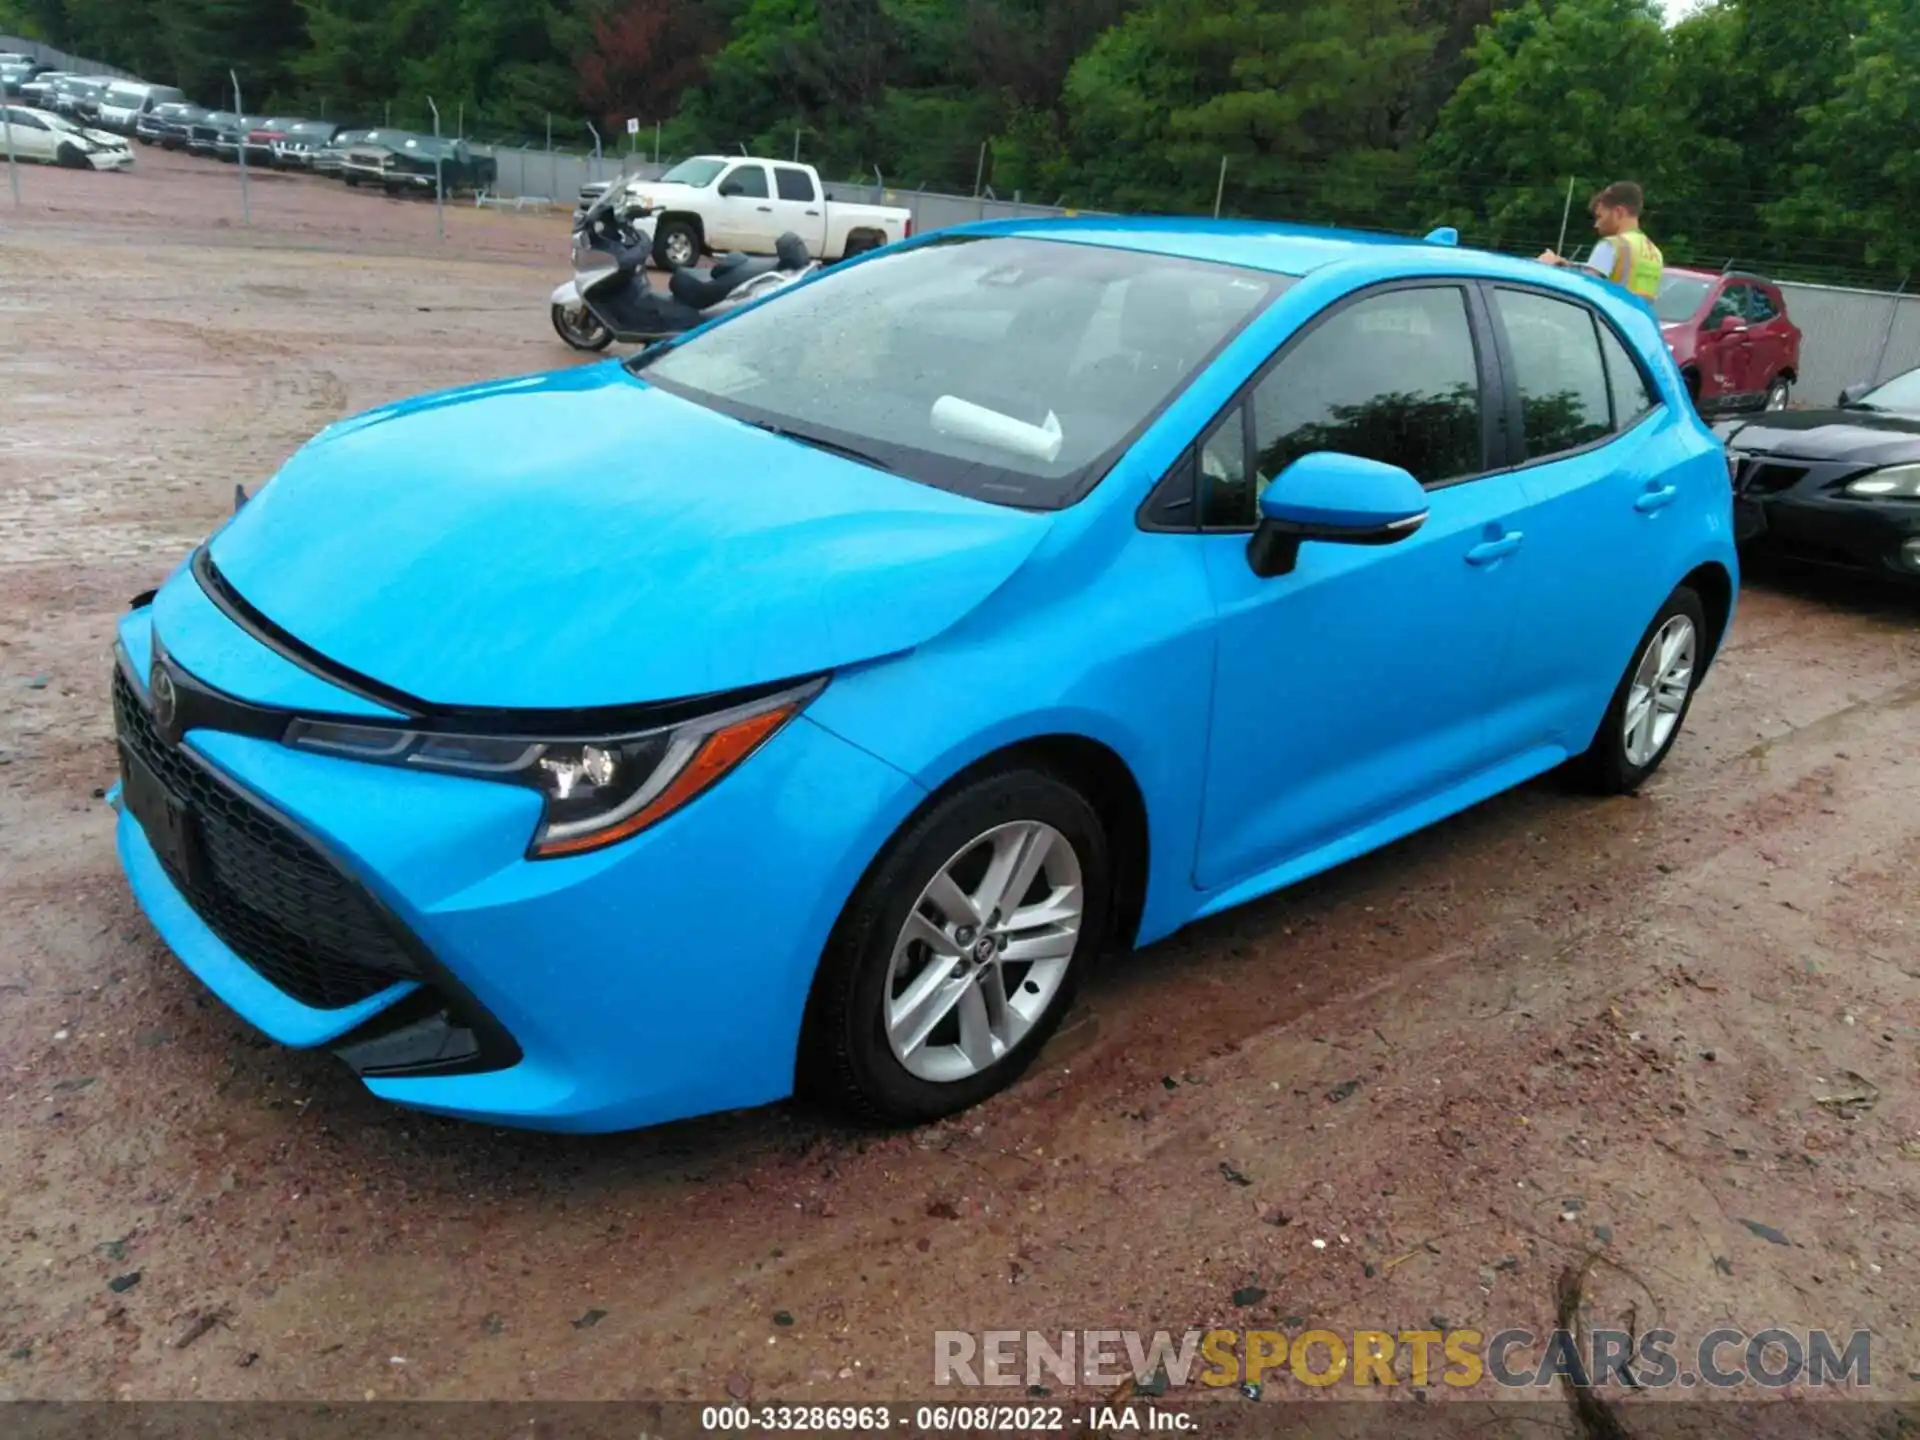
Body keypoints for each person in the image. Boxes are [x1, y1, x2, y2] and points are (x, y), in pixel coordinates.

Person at [1538, 181, 1664, 301]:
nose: (1596, 225)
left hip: (1610, 316)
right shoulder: (1655, 253)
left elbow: (1585, 289)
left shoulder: (1612, 245)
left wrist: (1549, 268)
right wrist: (1568, 267)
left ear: (1619, 212)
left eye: (1600, 216)